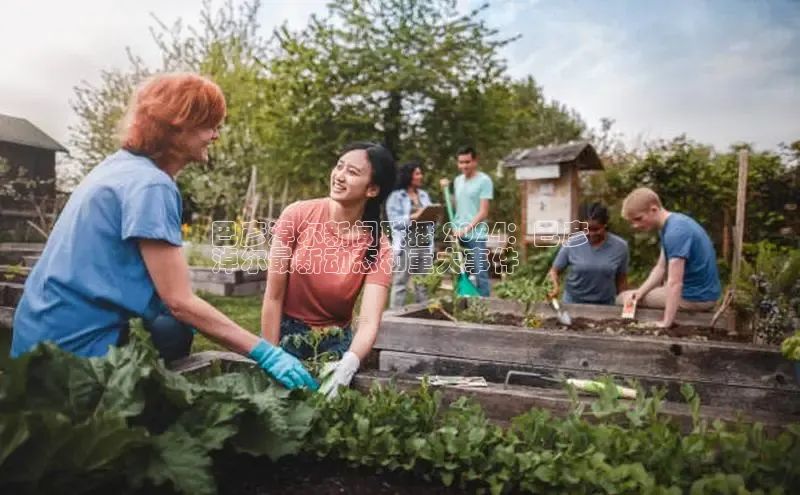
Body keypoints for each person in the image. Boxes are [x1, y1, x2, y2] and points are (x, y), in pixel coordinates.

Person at [10, 72, 318, 391]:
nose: (215, 135)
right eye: (209, 125)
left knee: (171, 327)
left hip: (37, 334)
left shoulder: (117, 166)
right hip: (74, 354)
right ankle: (128, 412)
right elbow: (179, 301)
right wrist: (266, 353)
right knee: (176, 326)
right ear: (176, 127)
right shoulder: (152, 185)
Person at [261, 141, 396, 398]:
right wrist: (270, 354)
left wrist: (349, 363)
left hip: (334, 344)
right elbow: (273, 296)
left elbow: (368, 322)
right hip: (285, 334)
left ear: (372, 189)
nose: (340, 176)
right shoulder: (297, 216)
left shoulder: (379, 247)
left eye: (353, 172)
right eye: (339, 166)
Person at [616, 187, 722, 328]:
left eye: (638, 219)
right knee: (633, 296)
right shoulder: (672, 224)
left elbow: (675, 283)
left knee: (621, 298)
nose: (635, 225)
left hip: (695, 297)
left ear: (653, 209)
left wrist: (666, 322)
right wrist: (640, 292)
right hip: (699, 293)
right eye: (632, 222)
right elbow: (660, 267)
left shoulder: (675, 232)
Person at [547, 202, 629, 305]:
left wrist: (625, 303)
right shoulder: (572, 243)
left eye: (596, 229)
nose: (591, 234)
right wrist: (554, 286)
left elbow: (621, 280)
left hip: (605, 305)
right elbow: (554, 271)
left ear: (605, 226)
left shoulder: (620, 247)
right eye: (586, 229)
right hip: (573, 303)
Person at [439, 146, 494, 297]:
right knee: (459, 273)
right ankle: (462, 307)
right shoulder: (457, 181)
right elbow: (459, 206)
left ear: (475, 161)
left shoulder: (484, 181)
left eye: (467, 162)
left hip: (476, 235)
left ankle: (486, 310)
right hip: (458, 234)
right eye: (461, 162)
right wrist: (446, 192)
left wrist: (466, 229)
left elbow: (483, 212)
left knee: (480, 273)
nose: (464, 166)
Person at [385, 161, 436, 308]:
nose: (421, 176)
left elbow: (430, 220)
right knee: (400, 283)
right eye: (417, 173)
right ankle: (395, 317)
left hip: (425, 245)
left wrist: (433, 216)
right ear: (409, 176)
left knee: (423, 284)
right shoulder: (396, 197)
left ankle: (422, 316)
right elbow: (395, 223)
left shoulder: (424, 195)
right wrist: (414, 217)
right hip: (407, 246)